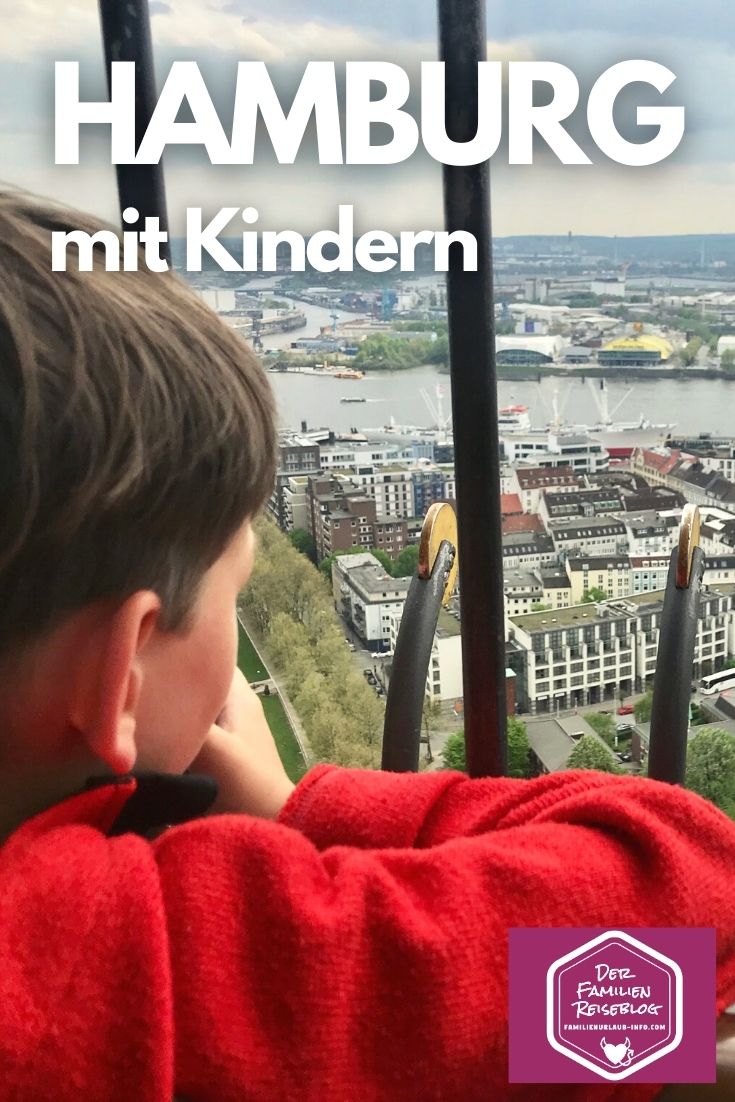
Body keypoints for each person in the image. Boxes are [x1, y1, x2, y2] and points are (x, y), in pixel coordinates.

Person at [0, 191, 733, 1102]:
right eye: (237, 587)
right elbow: (683, 915)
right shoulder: (141, 957)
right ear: (125, 676)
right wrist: (300, 802)